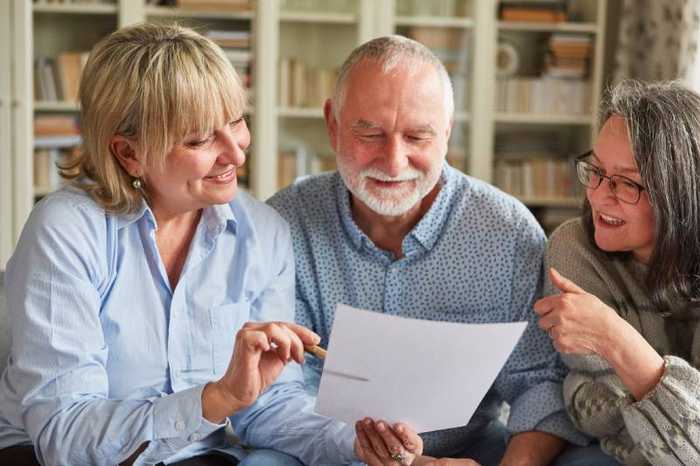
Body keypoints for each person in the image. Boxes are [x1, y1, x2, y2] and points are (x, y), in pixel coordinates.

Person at [0, 23, 373, 466]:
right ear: (129, 153)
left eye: (237, 121)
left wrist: (359, 444)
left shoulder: (263, 232)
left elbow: (267, 407)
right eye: (199, 139)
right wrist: (216, 399)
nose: (235, 153)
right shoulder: (66, 230)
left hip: (198, 455)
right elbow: (65, 437)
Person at [268, 35, 615, 466]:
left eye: (417, 136)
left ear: (447, 132)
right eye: (370, 133)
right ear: (333, 123)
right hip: (326, 451)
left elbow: (538, 384)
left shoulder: (506, 232)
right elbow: (277, 394)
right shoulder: (283, 224)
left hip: (468, 450)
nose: (394, 163)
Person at [535, 80, 700, 466]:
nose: (597, 194)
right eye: (596, 170)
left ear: (682, 192)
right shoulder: (573, 248)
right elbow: (591, 414)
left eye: (627, 182)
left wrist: (614, 337)